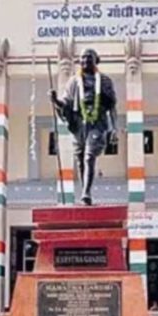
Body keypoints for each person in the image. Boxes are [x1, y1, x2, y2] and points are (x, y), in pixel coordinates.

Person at [49, 48, 118, 206]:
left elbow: (112, 107)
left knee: (89, 156)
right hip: (79, 124)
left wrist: (113, 128)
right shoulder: (74, 81)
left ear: (96, 60)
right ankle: (84, 191)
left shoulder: (105, 81)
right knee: (80, 160)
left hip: (97, 123)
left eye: (89, 58)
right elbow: (65, 104)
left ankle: (86, 193)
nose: (86, 61)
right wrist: (55, 100)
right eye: (83, 58)